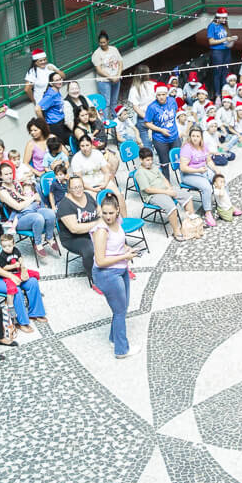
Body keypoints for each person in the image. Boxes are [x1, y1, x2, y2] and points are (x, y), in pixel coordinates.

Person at [0, 217, 45, 329]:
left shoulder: (2, 240)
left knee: (32, 282)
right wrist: (11, 276)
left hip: (9, 273)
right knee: (15, 290)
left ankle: (35, 313)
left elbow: (16, 254)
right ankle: (21, 322)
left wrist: (23, 268)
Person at [91, 197, 141, 360]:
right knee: (119, 311)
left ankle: (114, 338)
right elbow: (100, 261)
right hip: (107, 274)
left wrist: (127, 249)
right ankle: (121, 350)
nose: (108, 216)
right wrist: (124, 256)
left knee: (122, 307)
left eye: (111, 213)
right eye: (105, 213)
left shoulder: (118, 221)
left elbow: (118, 244)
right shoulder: (101, 231)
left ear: (117, 210)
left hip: (121, 269)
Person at [0, 162, 61, 260]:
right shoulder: (3, 192)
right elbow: (18, 207)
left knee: (50, 213)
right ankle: (38, 243)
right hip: (18, 218)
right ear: (1, 176)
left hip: (30, 210)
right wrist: (33, 198)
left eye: (10, 173)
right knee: (38, 218)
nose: (9, 176)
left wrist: (32, 194)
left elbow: (25, 196)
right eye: (6, 174)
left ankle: (49, 237)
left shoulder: (16, 183)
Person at [143, 84, 181, 178]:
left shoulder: (172, 101)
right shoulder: (152, 107)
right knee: (165, 163)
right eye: (159, 95)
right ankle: (167, 183)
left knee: (179, 160)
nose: (161, 97)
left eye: (163, 94)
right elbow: (147, 123)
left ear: (166, 94)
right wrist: (161, 130)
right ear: (156, 96)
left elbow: (176, 112)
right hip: (160, 139)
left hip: (174, 136)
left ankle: (183, 180)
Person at [205, 8, 236, 96]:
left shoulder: (224, 26)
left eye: (225, 18)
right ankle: (217, 94)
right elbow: (211, 41)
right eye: (222, 18)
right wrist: (225, 39)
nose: (224, 20)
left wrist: (231, 40)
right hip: (217, 52)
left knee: (225, 72)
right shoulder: (212, 26)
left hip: (226, 51)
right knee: (217, 73)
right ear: (217, 17)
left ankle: (224, 92)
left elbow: (226, 39)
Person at [92, 31, 124, 111]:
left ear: (108, 41)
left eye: (104, 42)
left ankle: (115, 116)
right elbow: (99, 70)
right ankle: (106, 118)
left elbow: (120, 62)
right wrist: (111, 77)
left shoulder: (114, 49)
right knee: (106, 103)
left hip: (116, 78)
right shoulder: (96, 53)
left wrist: (118, 75)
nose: (102, 44)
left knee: (114, 101)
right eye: (101, 43)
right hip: (104, 81)